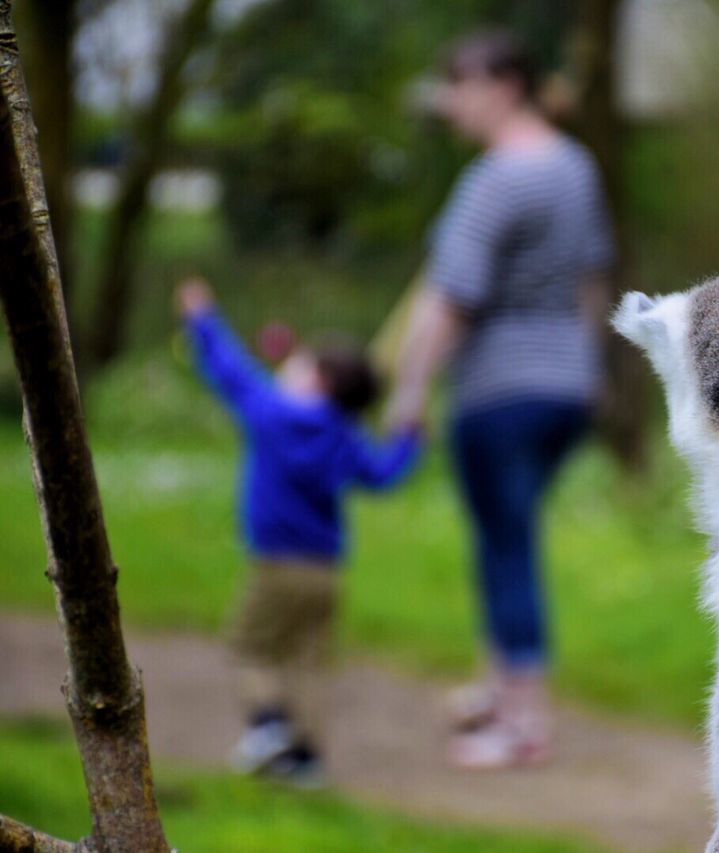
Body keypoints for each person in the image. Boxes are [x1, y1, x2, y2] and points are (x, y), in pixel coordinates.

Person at [386, 29, 615, 769]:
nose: (451, 102)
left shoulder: (495, 180)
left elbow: (449, 298)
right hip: (566, 389)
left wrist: (411, 391)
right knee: (505, 534)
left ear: (503, 86)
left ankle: (523, 722)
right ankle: (499, 684)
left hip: (498, 391)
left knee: (506, 543)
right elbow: (592, 278)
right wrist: (590, 369)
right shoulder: (575, 167)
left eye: (460, 85)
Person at [177, 277, 421, 785]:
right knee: (310, 660)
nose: (290, 366)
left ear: (319, 382)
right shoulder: (346, 437)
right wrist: (408, 440)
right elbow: (381, 476)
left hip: (274, 564)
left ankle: (268, 725)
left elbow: (230, 371)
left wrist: (202, 318)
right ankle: (307, 759)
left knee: (250, 645)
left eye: (302, 362)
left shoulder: (271, 414)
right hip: (326, 571)